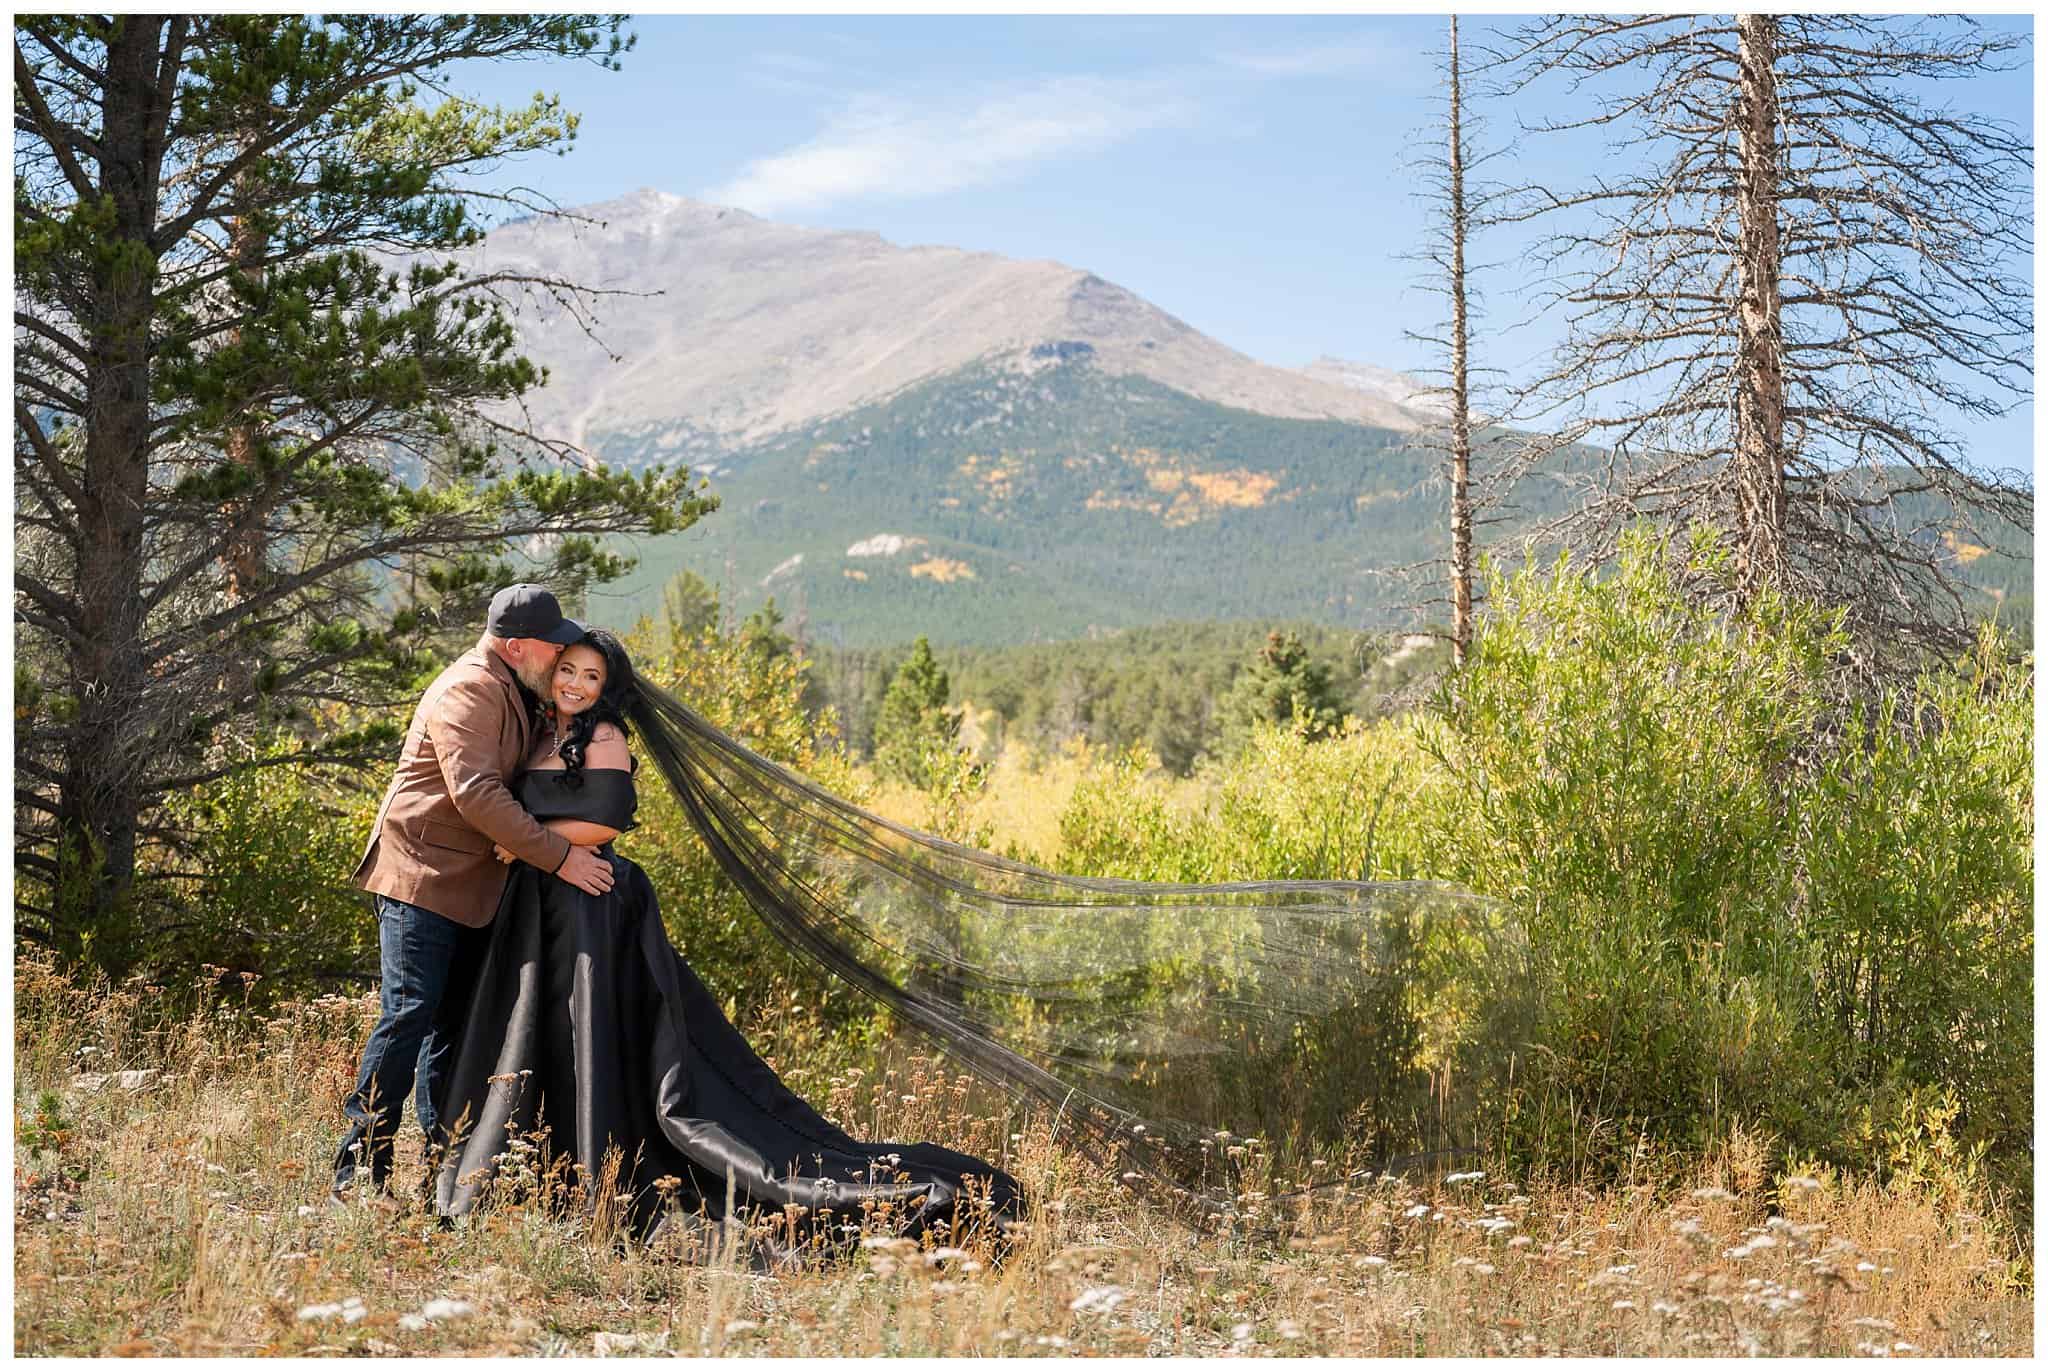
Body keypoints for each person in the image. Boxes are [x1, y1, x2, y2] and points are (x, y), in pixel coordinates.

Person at [431, 629, 1024, 1254]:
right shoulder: (537, 731)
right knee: (539, 1034)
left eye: (592, 677)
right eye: (569, 671)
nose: (577, 684)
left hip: (591, 903)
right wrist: (531, 849)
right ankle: (531, 1174)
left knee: (592, 1035)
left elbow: (607, 819)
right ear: (550, 671)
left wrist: (524, 841)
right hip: (538, 904)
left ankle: (602, 1172)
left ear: (609, 690)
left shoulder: (604, 738)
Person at [331, 585, 621, 1205]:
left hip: (471, 885)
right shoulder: (468, 688)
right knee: (408, 1016)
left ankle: (444, 1170)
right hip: (422, 879)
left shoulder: (514, 686)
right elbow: (478, 795)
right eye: (552, 646)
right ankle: (358, 1171)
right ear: (518, 647)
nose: (559, 654)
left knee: (451, 1030)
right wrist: (562, 856)